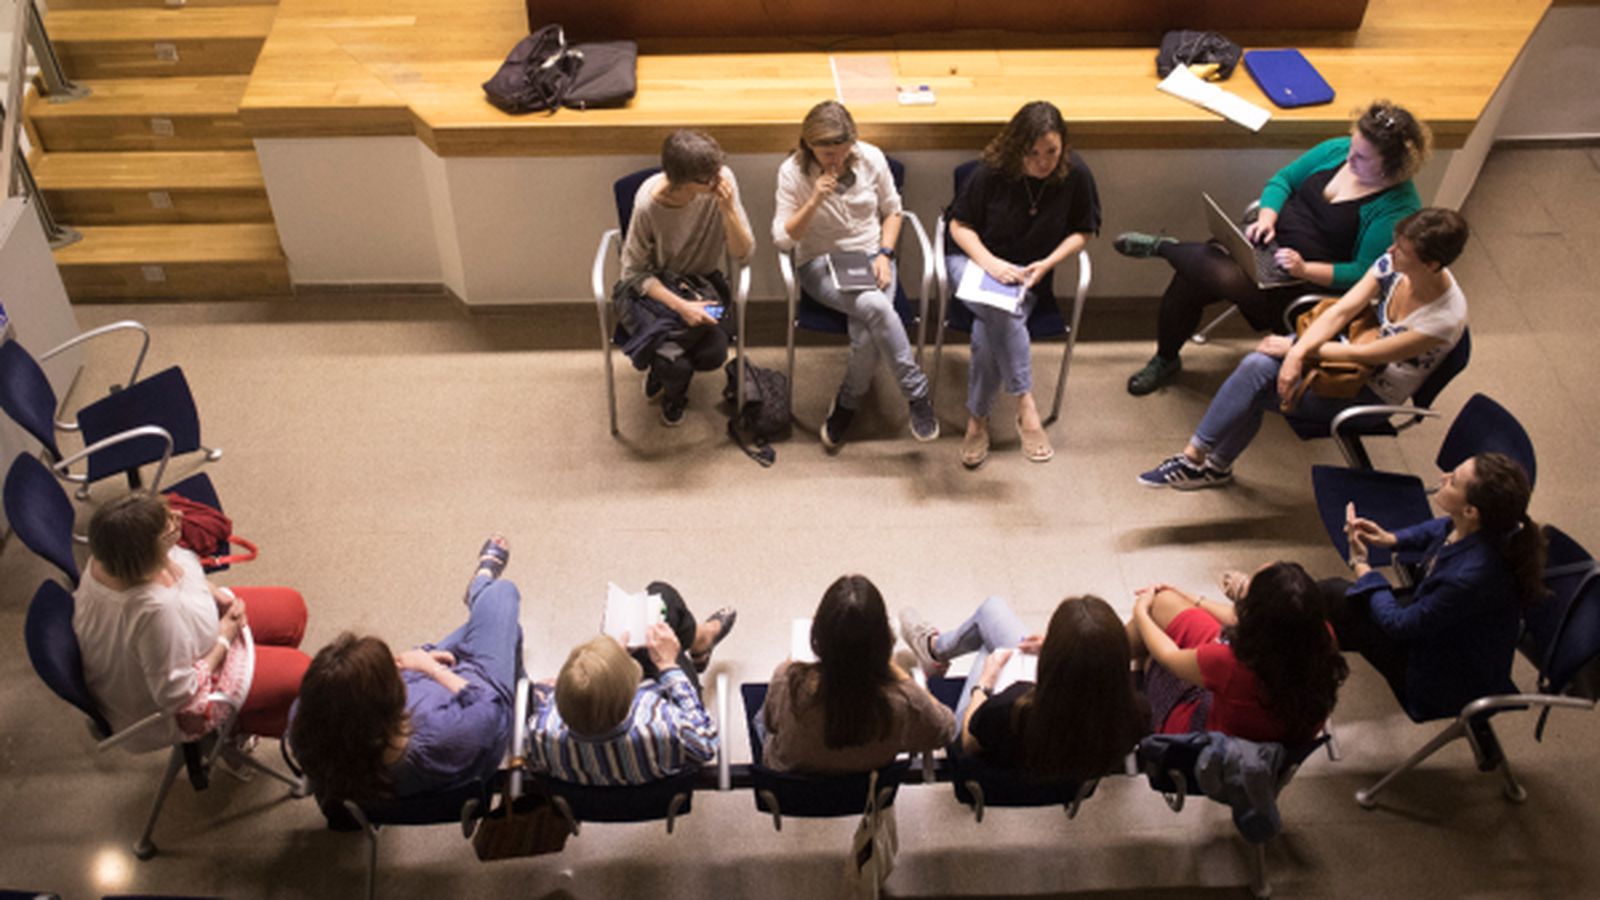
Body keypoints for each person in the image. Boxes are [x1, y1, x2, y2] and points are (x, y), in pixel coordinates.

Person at [1138, 207, 1469, 490]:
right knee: (1256, 367)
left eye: (1403, 251)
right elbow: (1342, 310)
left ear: (1432, 265)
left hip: (1368, 388)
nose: (1391, 252)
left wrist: (1298, 352)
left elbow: (1365, 357)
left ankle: (1203, 464)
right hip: (1346, 345)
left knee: (1252, 388)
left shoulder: (1442, 320)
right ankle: (1202, 462)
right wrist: (1296, 352)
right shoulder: (1394, 263)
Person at [1117, 100, 1430, 396]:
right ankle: (1167, 354)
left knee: (1202, 272)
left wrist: (1304, 269)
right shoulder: (1337, 150)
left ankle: (1167, 250)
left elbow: (1363, 274)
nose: (1349, 159)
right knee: (1195, 275)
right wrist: (1267, 217)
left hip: (1303, 286)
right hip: (1267, 245)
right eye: (1352, 148)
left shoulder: (1397, 208)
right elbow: (1283, 181)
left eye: (1361, 158)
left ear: (1392, 167)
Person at [288, 537, 522, 805]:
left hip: (423, 702)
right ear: (394, 698)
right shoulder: (447, 738)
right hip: (476, 695)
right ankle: (482, 586)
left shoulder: (306, 723)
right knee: (503, 596)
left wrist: (419, 661)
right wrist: (432, 669)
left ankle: (482, 594)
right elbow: (490, 707)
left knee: (494, 626)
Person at [72, 491, 311, 755]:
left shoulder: (113, 556)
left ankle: (253, 708)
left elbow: (180, 568)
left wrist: (213, 592)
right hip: (176, 700)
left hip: (189, 636)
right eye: (169, 525)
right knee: (301, 677)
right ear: (148, 550)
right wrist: (224, 637)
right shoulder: (154, 612)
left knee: (291, 609)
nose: (180, 516)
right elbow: (177, 693)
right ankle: (232, 732)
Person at [1323, 452, 1546, 721]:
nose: (1444, 476)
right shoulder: (1482, 526)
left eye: (1453, 481)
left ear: (1471, 511)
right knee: (1329, 606)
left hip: (1439, 676)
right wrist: (1391, 539)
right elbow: (1441, 529)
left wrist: (1361, 565)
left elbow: (1399, 624)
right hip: (1439, 630)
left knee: (1334, 600)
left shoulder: (1469, 577)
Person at [772, 100, 939, 449]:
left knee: (867, 329)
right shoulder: (792, 172)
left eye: (842, 151)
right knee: (877, 308)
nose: (835, 159)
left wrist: (884, 253)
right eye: (825, 152)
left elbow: (893, 212)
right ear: (808, 145)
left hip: (871, 255)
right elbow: (783, 238)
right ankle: (916, 393)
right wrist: (814, 200)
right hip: (820, 262)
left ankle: (847, 402)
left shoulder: (871, 158)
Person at [943, 100, 1102, 467]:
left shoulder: (1075, 174)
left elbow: (1083, 230)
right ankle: (1025, 404)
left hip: (1028, 274)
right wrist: (991, 264)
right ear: (1017, 148)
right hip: (972, 260)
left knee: (989, 329)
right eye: (1033, 153)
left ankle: (977, 420)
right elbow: (958, 226)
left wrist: (1047, 264)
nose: (1043, 162)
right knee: (1003, 315)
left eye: (1051, 152)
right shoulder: (991, 172)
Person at [899, 595, 1145, 782]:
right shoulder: (1135, 713)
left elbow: (968, 742)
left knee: (994, 649)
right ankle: (934, 649)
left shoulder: (1011, 708)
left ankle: (934, 650)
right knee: (993, 614)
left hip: (982, 743)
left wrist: (984, 683)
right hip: (1064, 775)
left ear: (1055, 660)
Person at [527, 582, 733, 785]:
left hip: (592, 797)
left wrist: (547, 692)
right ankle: (700, 642)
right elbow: (706, 745)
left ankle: (699, 640)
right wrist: (669, 666)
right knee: (661, 595)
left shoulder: (541, 732)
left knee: (655, 611)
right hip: (656, 784)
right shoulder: (665, 727)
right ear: (634, 694)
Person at [615, 128, 755, 426]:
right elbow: (632, 274)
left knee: (713, 355)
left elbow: (744, 253)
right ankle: (674, 391)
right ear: (686, 183)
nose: (720, 180)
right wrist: (682, 307)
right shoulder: (648, 206)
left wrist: (728, 209)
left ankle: (661, 362)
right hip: (656, 289)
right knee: (677, 364)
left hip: (702, 283)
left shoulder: (722, 184)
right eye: (710, 178)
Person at [1128, 562, 1347, 746]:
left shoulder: (1230, 664)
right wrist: (1190, 598)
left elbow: (1169, 656)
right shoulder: (1321, 638)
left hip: (1204, 742)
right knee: (1168, 603)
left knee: (1154, 630)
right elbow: (1243, 621)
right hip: (1268, 736)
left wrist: (1141, 612)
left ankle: (1105, 657)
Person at [758, 575, 955, 773]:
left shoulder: (789, 680)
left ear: (819, 635)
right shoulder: (904, 700)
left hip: (793, 793)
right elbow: (945, 730)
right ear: (883, 640)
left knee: (762, 716)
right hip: (868, 794)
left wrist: (792, 661)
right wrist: (900, 675)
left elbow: (771, 724)